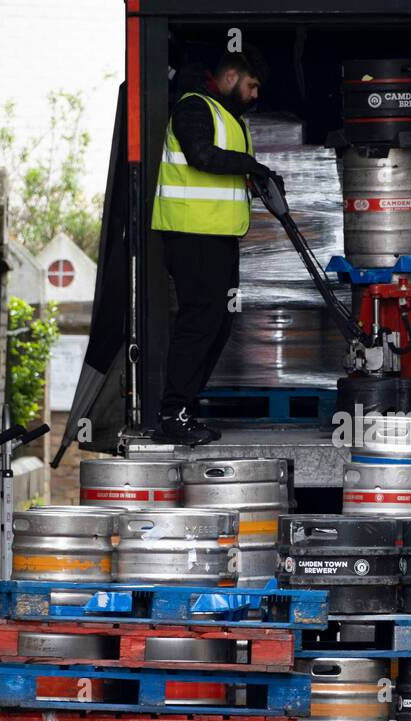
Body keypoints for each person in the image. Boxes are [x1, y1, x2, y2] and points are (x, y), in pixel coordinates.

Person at [150, 45, 284, 445]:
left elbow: (226, 172)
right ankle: (173, 414)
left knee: (218, 325)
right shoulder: (194, 106)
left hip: (218, 237)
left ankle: (183, 409)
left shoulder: (229, 117)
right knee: (199, 324)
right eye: (252, 85)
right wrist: (250, 166)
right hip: (192, 236)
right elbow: (201, 156)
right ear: (231, 77)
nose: (255, 95)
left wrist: (257, 180)